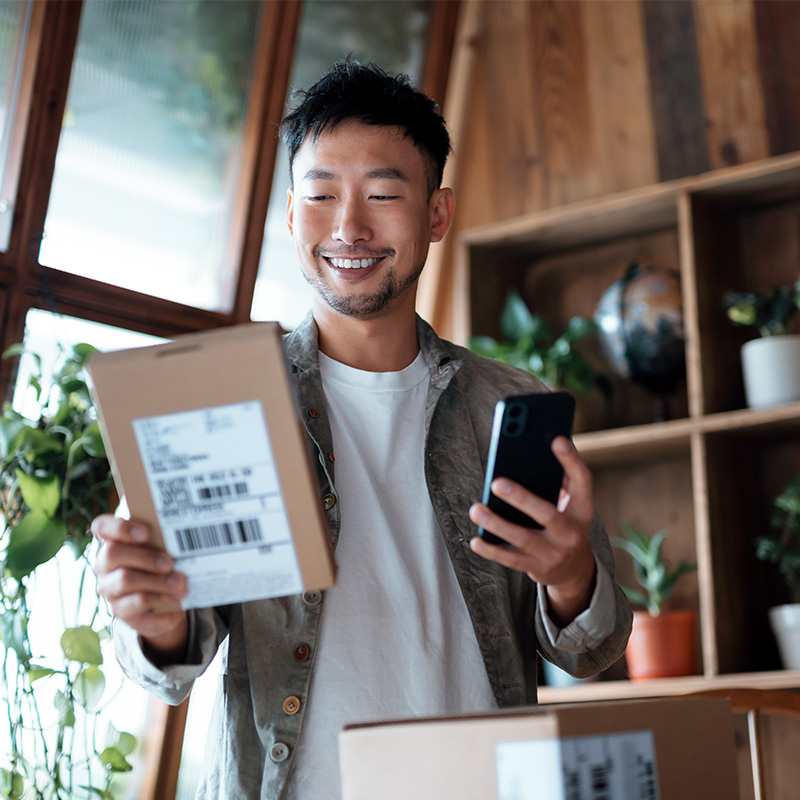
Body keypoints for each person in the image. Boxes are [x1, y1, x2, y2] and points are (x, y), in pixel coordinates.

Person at [92, 61, 632, 799]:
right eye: (320, 195)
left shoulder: (508, 404)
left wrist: (572, 580)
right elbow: (169, 662)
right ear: (289, 213)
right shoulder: (218, 403)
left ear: (437, 215)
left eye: (383, 194)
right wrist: (152, 617)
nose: (348, 226)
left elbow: (594, 650)